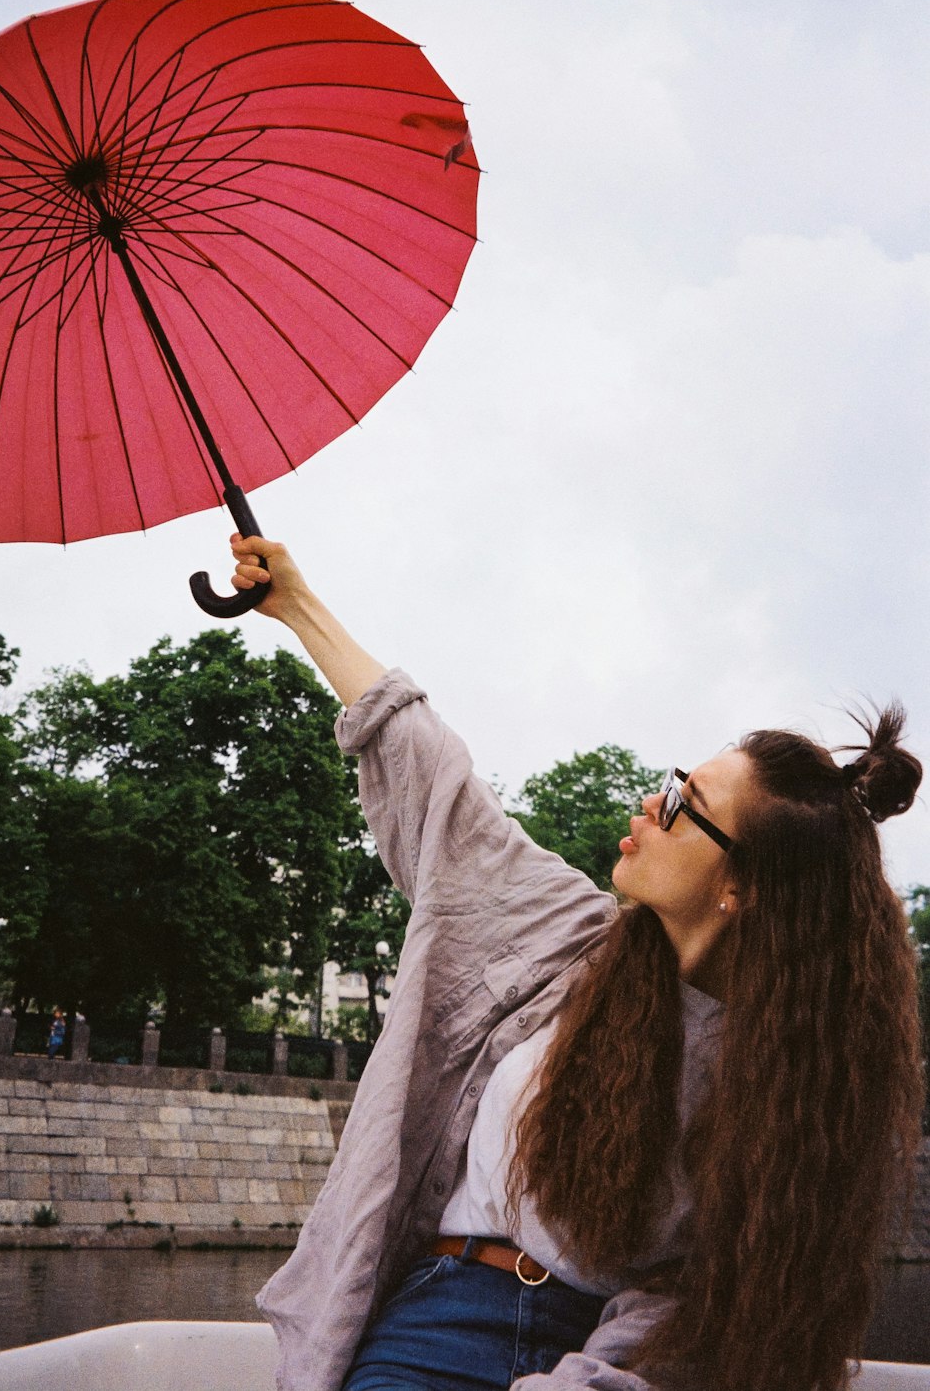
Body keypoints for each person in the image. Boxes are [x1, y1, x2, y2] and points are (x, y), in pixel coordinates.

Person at [230, 535, 924, 1391]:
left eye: (682, 802)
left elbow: (709, 1305)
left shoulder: (795, 1077)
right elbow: (433, 778)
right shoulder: (567, 934)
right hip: (439, 1321)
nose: (648, 800)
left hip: (617, 1359)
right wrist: (295, 603)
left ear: (741, 887)